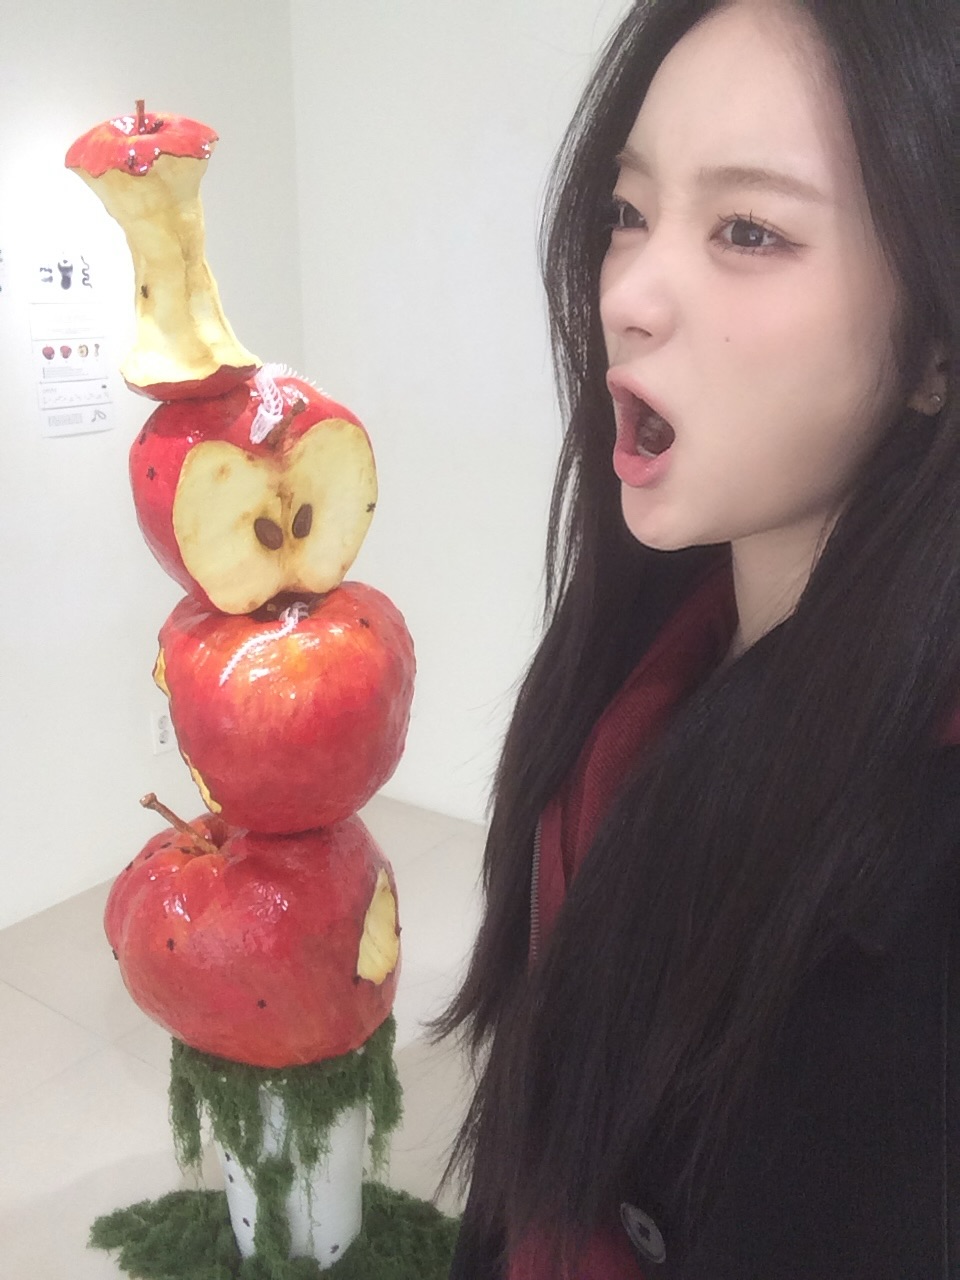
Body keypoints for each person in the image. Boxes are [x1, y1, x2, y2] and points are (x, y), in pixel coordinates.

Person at [436, 0, 959, 1276]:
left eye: (748, 230)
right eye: (628, 210)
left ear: (934, 348)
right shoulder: (639, 651)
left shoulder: (922, 888)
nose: (626, 294)